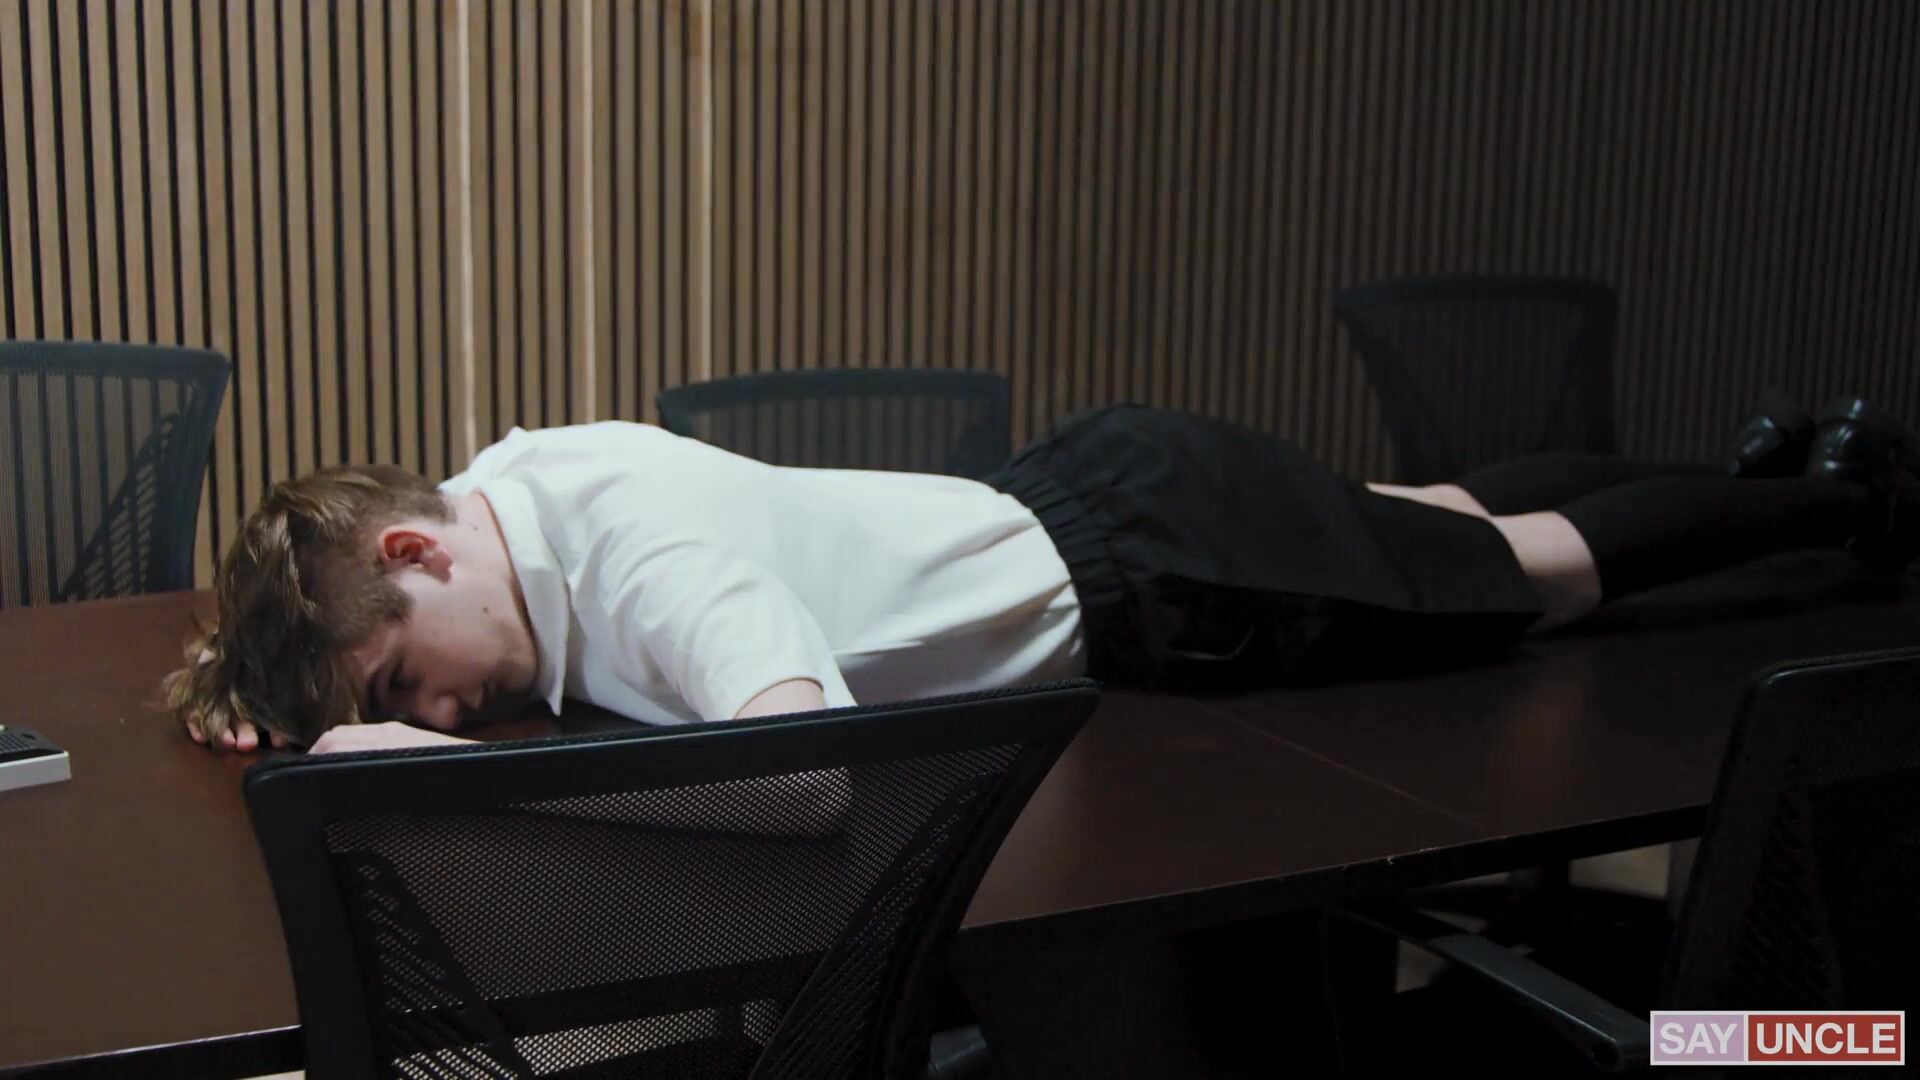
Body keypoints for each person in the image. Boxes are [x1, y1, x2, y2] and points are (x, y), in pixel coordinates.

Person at [165, 393, 1917, 754]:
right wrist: (271, 684)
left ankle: (1835, 511)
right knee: (1435, 507)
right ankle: (1767, 468)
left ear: (419, 552)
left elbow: (804, 776)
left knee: (1521, 575)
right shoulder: (512, 489)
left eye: (401, 679)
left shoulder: (644, 569)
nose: (436, 714)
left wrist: (418, 781)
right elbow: (337, 589)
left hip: (1165, 573)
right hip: (1097, 495)